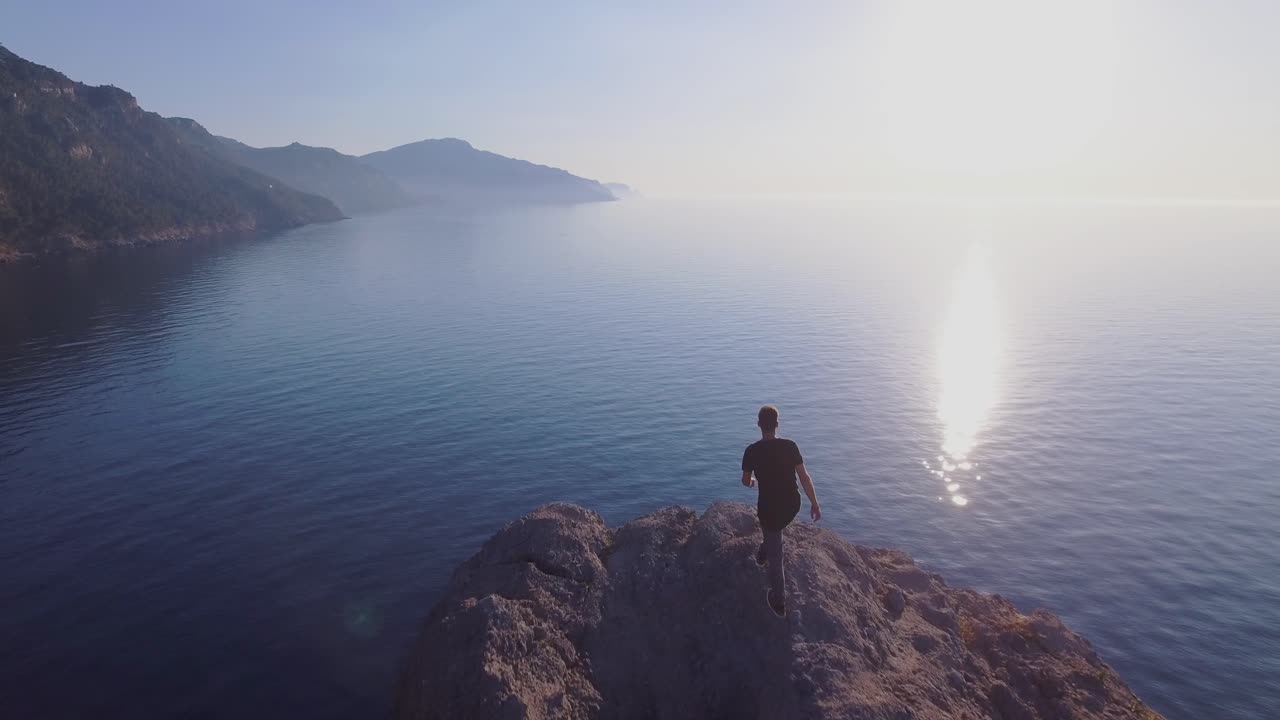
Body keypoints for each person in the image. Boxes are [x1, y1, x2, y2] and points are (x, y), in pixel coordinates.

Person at [741, 405, 821, 617]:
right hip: (792, 504)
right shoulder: (790, 446)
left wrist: (752, 482)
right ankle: (766, 547)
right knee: (773, 533)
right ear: (777, 424)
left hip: (769, 509)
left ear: (759, 425)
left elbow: (745, 481)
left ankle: (779, 601)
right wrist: (814, 503)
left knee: (776, 556)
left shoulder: (751, 451)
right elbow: (804, 477)